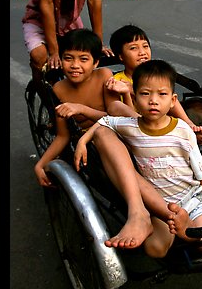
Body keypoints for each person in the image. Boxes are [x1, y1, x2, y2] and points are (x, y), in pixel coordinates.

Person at [75, 59, 202, 258]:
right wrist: (83, 140)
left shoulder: (182, 130)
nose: (153, 100)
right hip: (160, 203)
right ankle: (183, 229)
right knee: (155, 250)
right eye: (145, 94)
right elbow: (105, 121)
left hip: (192, 198)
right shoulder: (131, 126)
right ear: (135, 99)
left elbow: (200, 169)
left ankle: (186, 233)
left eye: (162, 94)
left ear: (172, 100)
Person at [34, 28, 134, 187]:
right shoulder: (59, 89)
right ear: (60, 59)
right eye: (68, 58)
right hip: (90, 146)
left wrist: (81, 109)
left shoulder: (104, 76)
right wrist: (40, 164)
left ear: (95, 62)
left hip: (115, 132)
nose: (75, 65)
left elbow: (113, 117)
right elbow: (62, 136)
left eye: (83, 59)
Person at [106, 24, 202, 144]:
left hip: (160, 119)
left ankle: (188, 125)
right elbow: (119, 113)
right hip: (135, 129)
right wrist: (130, 92)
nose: (142, 52)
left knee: (166, 94)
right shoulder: (116, 81)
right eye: (133, 48)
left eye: (145, 46)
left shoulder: (155, 76)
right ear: (120, 56)